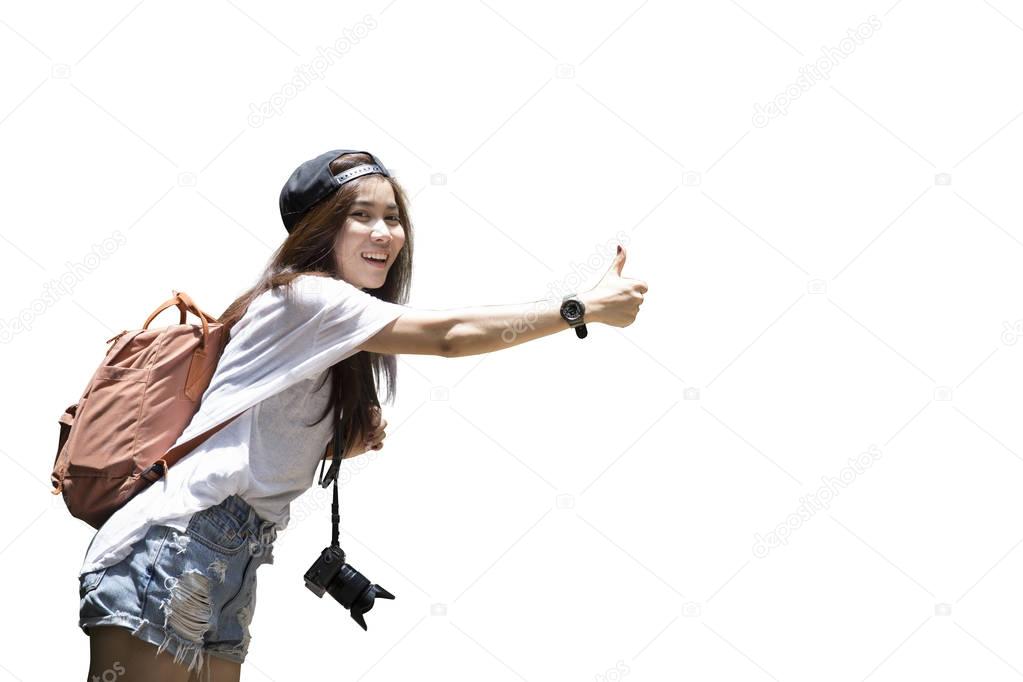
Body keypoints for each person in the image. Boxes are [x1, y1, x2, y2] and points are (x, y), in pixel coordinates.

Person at [80, 149, 647, 682]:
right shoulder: (307, 296)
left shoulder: (327, 327)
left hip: (231, 556)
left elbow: (258, 436)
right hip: (177, 542)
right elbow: (450, 337)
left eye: (393, 218)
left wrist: (336, 444)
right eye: (361, 216)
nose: (384, 233)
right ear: (319, 229)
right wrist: (582, 308)